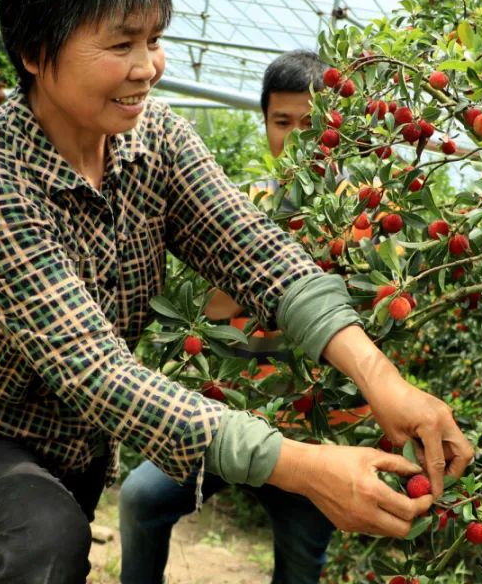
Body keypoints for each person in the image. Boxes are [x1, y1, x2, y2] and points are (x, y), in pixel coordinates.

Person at [0, 0, 474, 584]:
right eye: (121, 44)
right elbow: (96, 372)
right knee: (48, 541)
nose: (147, 68)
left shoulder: (158, 143)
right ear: (34, 53)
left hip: (83, 441)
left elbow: (257, 252)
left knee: (60, 550)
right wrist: (305, 466)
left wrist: (384, 381)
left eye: (154, 40)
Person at [118, 50, 352, 584]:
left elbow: (350, 317)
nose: (295, 139)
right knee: (139, 499)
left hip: (312, 440)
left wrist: (259, 287)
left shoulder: (362, 217)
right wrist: (289, 284)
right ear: (265, 122)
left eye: (311, 125)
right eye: (282, 122)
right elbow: (210, 308)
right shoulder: (240, 204)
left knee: (300, 569)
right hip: (230, 420)